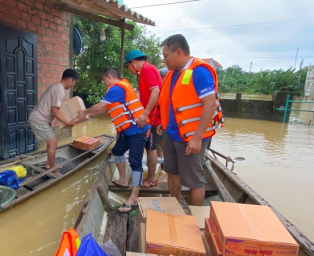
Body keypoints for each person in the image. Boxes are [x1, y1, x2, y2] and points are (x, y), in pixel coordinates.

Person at [158, 34, 224, 206]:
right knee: (172, 173)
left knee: (194, 181)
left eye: (166, 56)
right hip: (172, 134)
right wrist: (163, 122)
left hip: (191, 138)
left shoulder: (199, 72)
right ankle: (175, 207)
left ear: (178, 52)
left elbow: (210, 105)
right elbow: (176, 102)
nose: (164, 61)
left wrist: (197, 138)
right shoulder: (175, 74)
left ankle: (195, 221)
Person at [78, 67, 150, 213]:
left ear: (109, 77)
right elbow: (101, 110)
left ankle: (134, 198)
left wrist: (85, 111)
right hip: (126, 131)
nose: (104, 84)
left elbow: (99, 106)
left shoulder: (116, 89)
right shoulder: (114, 91)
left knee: (135, 162)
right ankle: (123, 180)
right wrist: (88, 116)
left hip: (137, 130)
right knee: (117, 152)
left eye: (104, 81)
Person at [124, 49, 162, 188]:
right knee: (148, 146)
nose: (130, 70)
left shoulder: (147, 69)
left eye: (128, 67)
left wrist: (146, 113)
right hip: (149, 117)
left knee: (151, 147)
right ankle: (150, 176)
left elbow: (156, 91)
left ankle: (151, 179)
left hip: (152, 118)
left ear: (133, 62)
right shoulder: (144, 72)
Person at [29, 69, 78, 174]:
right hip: (39, 119)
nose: (72, 85)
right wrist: (68, 122)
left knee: (50, 141)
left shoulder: (57, 87)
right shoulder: (59, 90)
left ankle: (49, 164)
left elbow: (57, 109)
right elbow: (55, 111)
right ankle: (53, 170)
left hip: (41, 118)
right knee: (53, 142)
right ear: (70, 80)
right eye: (73, 83)